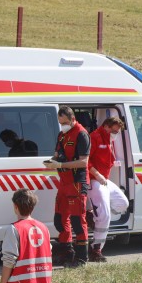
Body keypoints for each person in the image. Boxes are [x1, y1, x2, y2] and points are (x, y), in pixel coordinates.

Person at [45, 106, 90, 267]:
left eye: (64, 122)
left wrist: (62, 163)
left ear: (72, 119)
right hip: (63, 182)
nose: (62, 125)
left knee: (78, 220)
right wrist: (52, 161)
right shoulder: (62, 134)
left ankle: (81, 258)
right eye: (60, 122)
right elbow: (57, 153)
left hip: (76, 182)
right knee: (59, 220)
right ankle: (67, 252)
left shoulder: (81, 134)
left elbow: (84, 162)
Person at [87, 117, 129, 262]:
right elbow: (86, 160)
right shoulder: (95, 137)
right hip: (94, 180)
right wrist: (97, 174)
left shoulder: (108, 139)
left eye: (117, 131)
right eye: (114, 130)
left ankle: (93, 216)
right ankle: (95, 249)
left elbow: (107, 159)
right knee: (105, 216)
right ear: (105, 126)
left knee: (122, 203)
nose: (116, 133)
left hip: (103, 180)